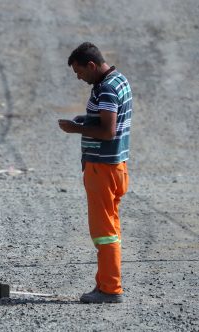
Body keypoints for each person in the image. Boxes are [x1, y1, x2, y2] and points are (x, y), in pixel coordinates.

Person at [58, 42, 131, 303]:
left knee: (103, 231)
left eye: (80, 72)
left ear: (91, 65)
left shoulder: (107, 88)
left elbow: (108, 131)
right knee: (110, 227)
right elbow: (104, 121)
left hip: (103, 167)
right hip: (115, 167)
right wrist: (83, 121)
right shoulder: (118, 80)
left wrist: (74, 129)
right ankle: (105, 284)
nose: (79, 78)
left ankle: (110, 289)